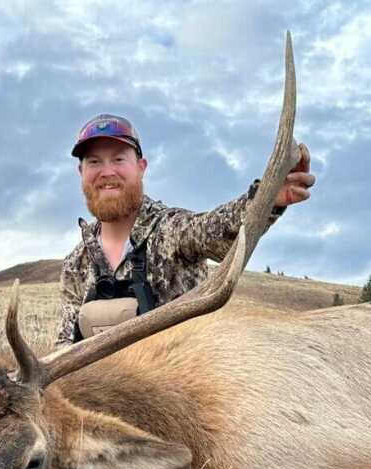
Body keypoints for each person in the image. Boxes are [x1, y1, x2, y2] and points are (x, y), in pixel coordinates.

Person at [55, 113, 314, 346]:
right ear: (81, 172)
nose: (106, 172)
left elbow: (217, 230)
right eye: (94, 162)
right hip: (100, 396)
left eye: (118, 159)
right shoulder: (76, 264)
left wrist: (265, 198)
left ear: (141, 167)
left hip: (188, 393)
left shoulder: (171, 231)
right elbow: (64, 346)